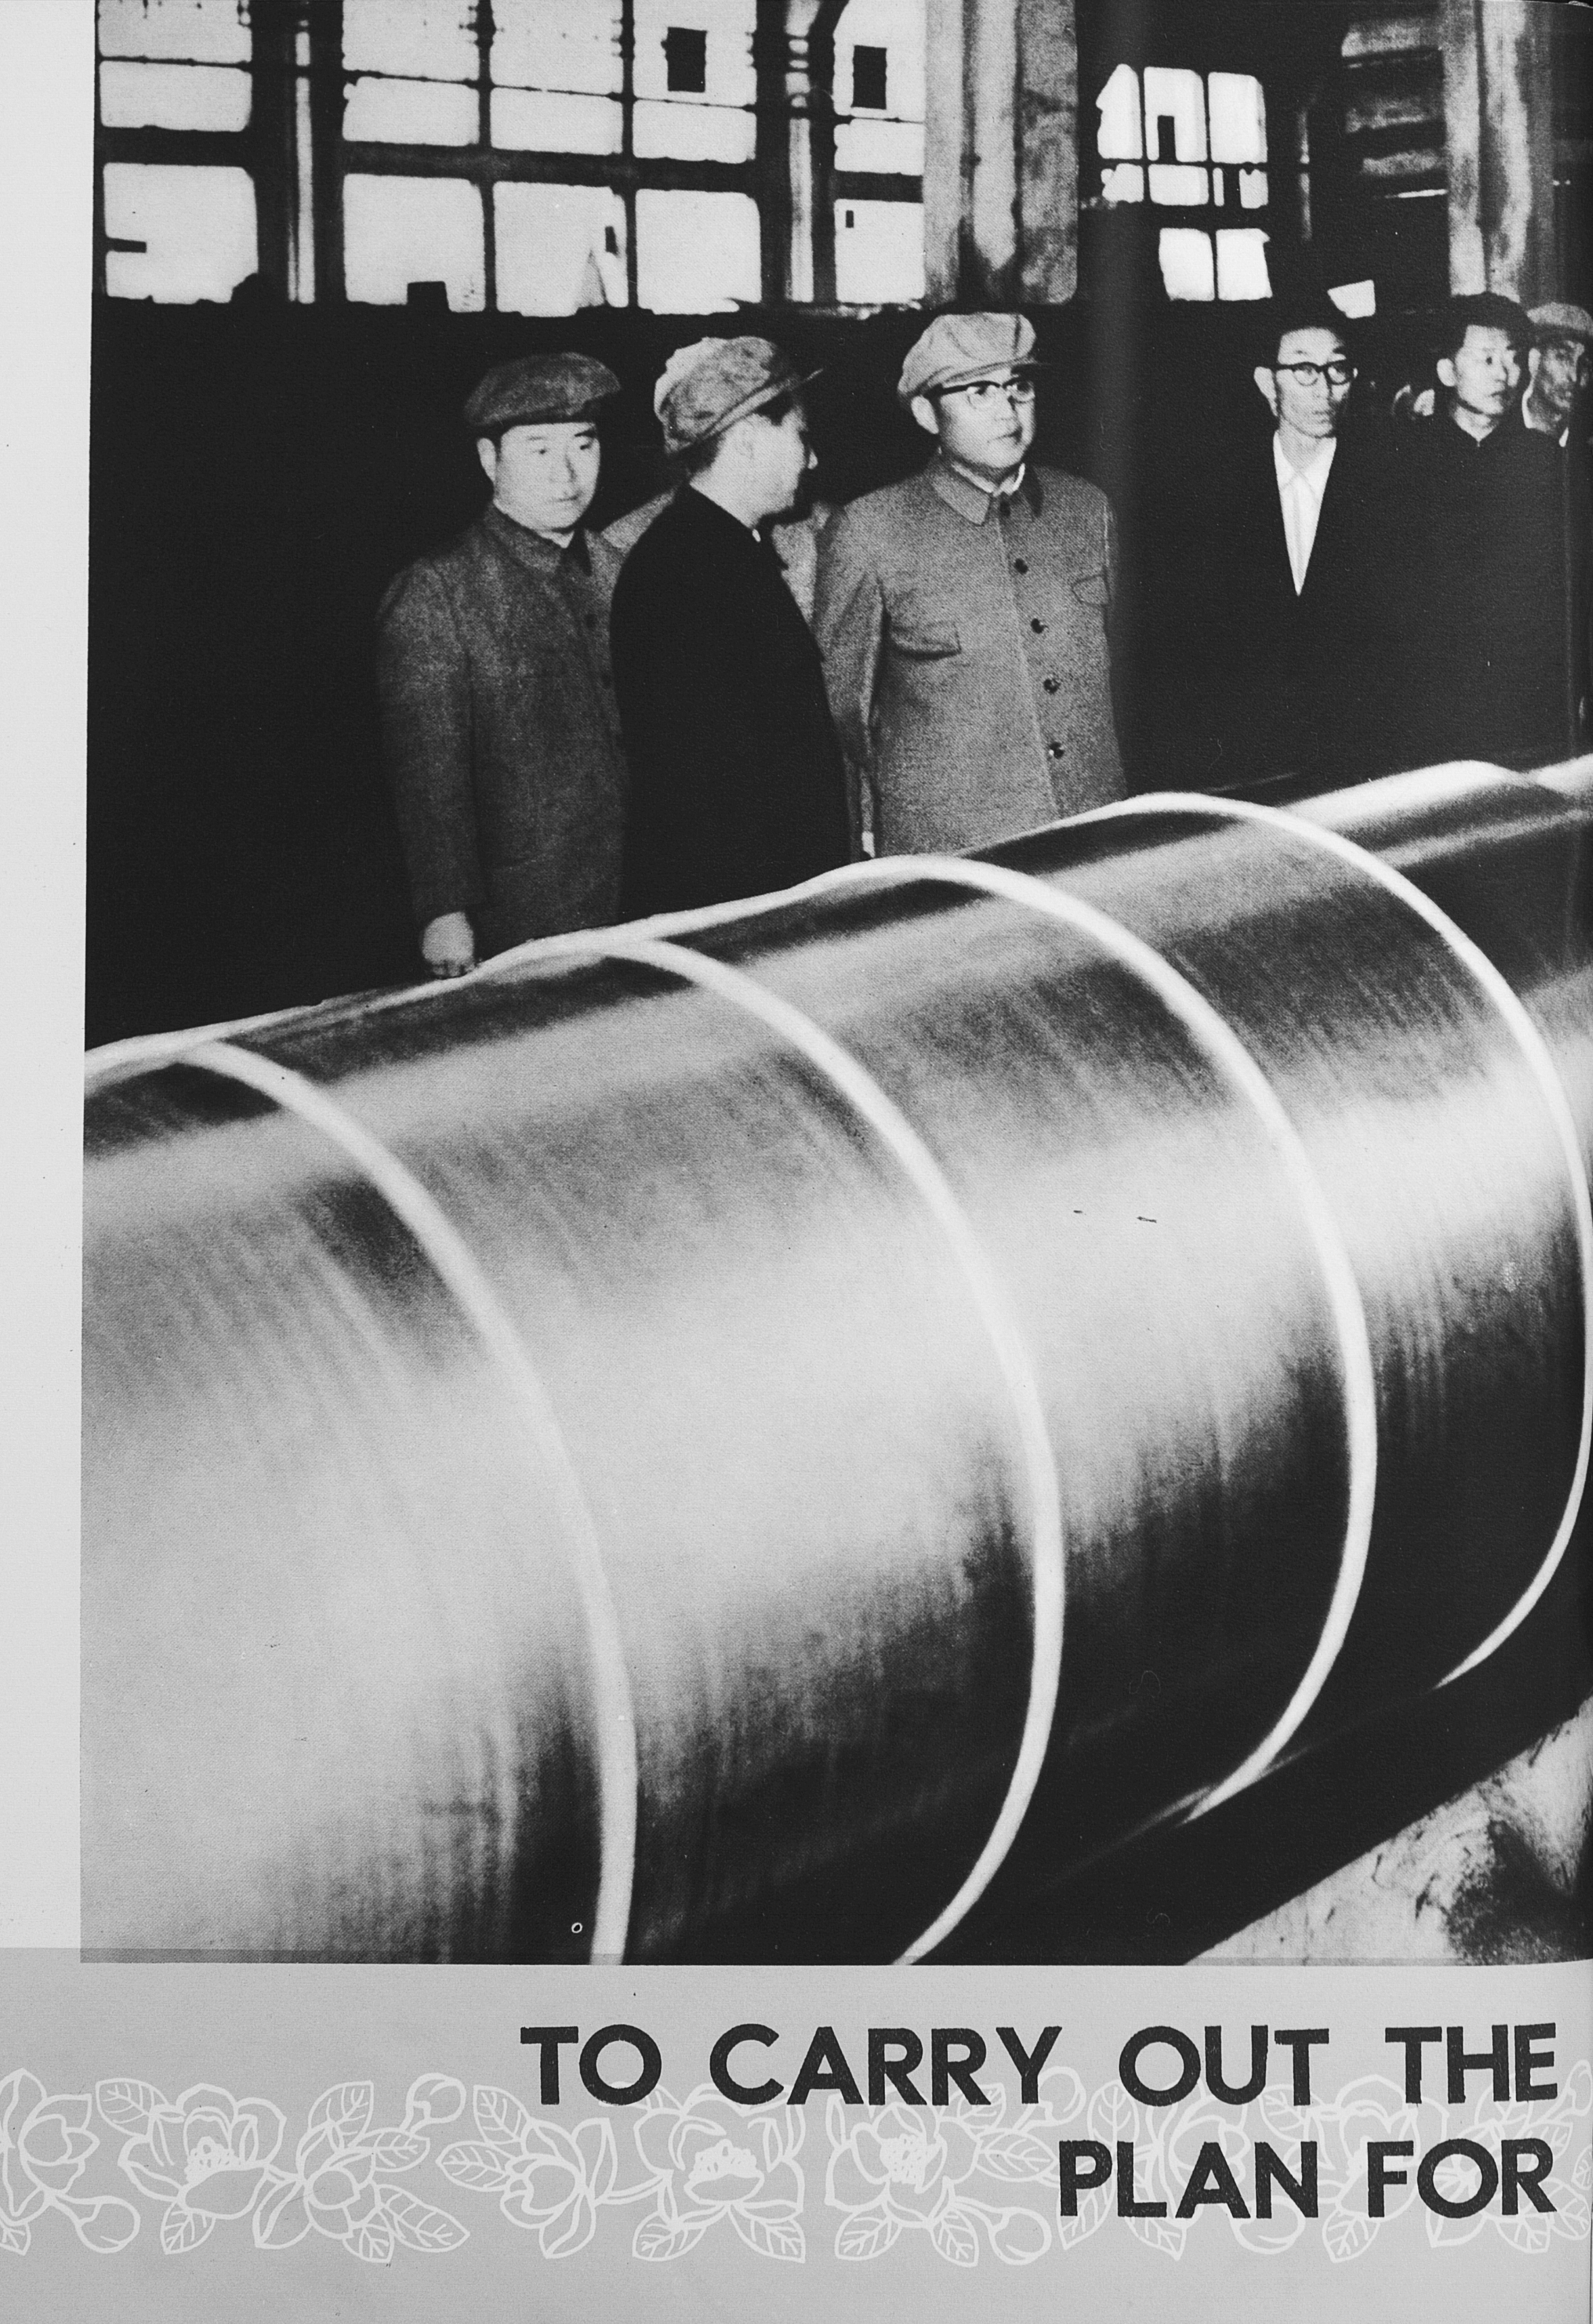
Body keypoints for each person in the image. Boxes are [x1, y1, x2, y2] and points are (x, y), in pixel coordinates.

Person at [812, 311, 1123, 859]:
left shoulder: (1086, 510)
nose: (1007, 410)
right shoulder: (870, 530)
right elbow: (845, 715)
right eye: (979, 391)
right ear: (926, 414)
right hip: (956, 853)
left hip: (1091, 836)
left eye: (1019, 386)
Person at [375, 353, 628, 976]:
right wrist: (443, 912)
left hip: (641, 897)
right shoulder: (439, 590)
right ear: (490, 461)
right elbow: (427, 772)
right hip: (521, 918)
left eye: (583, 445)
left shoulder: (622, 570)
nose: (566, 474)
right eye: (539, 451)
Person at [611, 337, 851, 916]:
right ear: (747, 440)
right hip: (738, 908)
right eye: (800, 438)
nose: (811, 461)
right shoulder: (685, 570)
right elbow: (709, 788)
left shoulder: (716, 549)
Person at [1202, 299, 1396, 786]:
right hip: (1253, 766)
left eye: (1337, 369)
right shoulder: (1218, 493)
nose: (1325, 390)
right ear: (1267, 382)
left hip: (1363, 763)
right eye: (1305, 370)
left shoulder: (1391, 488)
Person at [1391, 292, 1571, 770]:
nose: (1503, 374)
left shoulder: (1546, 462)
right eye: (1486, 359)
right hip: (1425, 710)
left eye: (1512, 359)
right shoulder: (1401, 461)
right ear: (1447, 371)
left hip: (1524, 709)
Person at [1523, 302, 1592, 446]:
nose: (1574, 377)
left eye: (1584, 365)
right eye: (1562, 357)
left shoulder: (1584, 447)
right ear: (1535, 360)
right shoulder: (1497, 428)